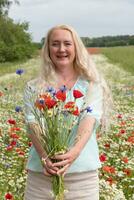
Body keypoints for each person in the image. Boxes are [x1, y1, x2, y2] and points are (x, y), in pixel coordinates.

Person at [23, 24, 111, 200]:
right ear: (48, 48)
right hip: (42, 175)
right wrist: (44, 157)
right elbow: (32, 122)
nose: (61, 49)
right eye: (55, 44)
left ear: (76, 48)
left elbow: (90, 118)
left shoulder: (91, 84)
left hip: (82, 177)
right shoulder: (33, 87)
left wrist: (73, 154)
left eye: (67, 44)